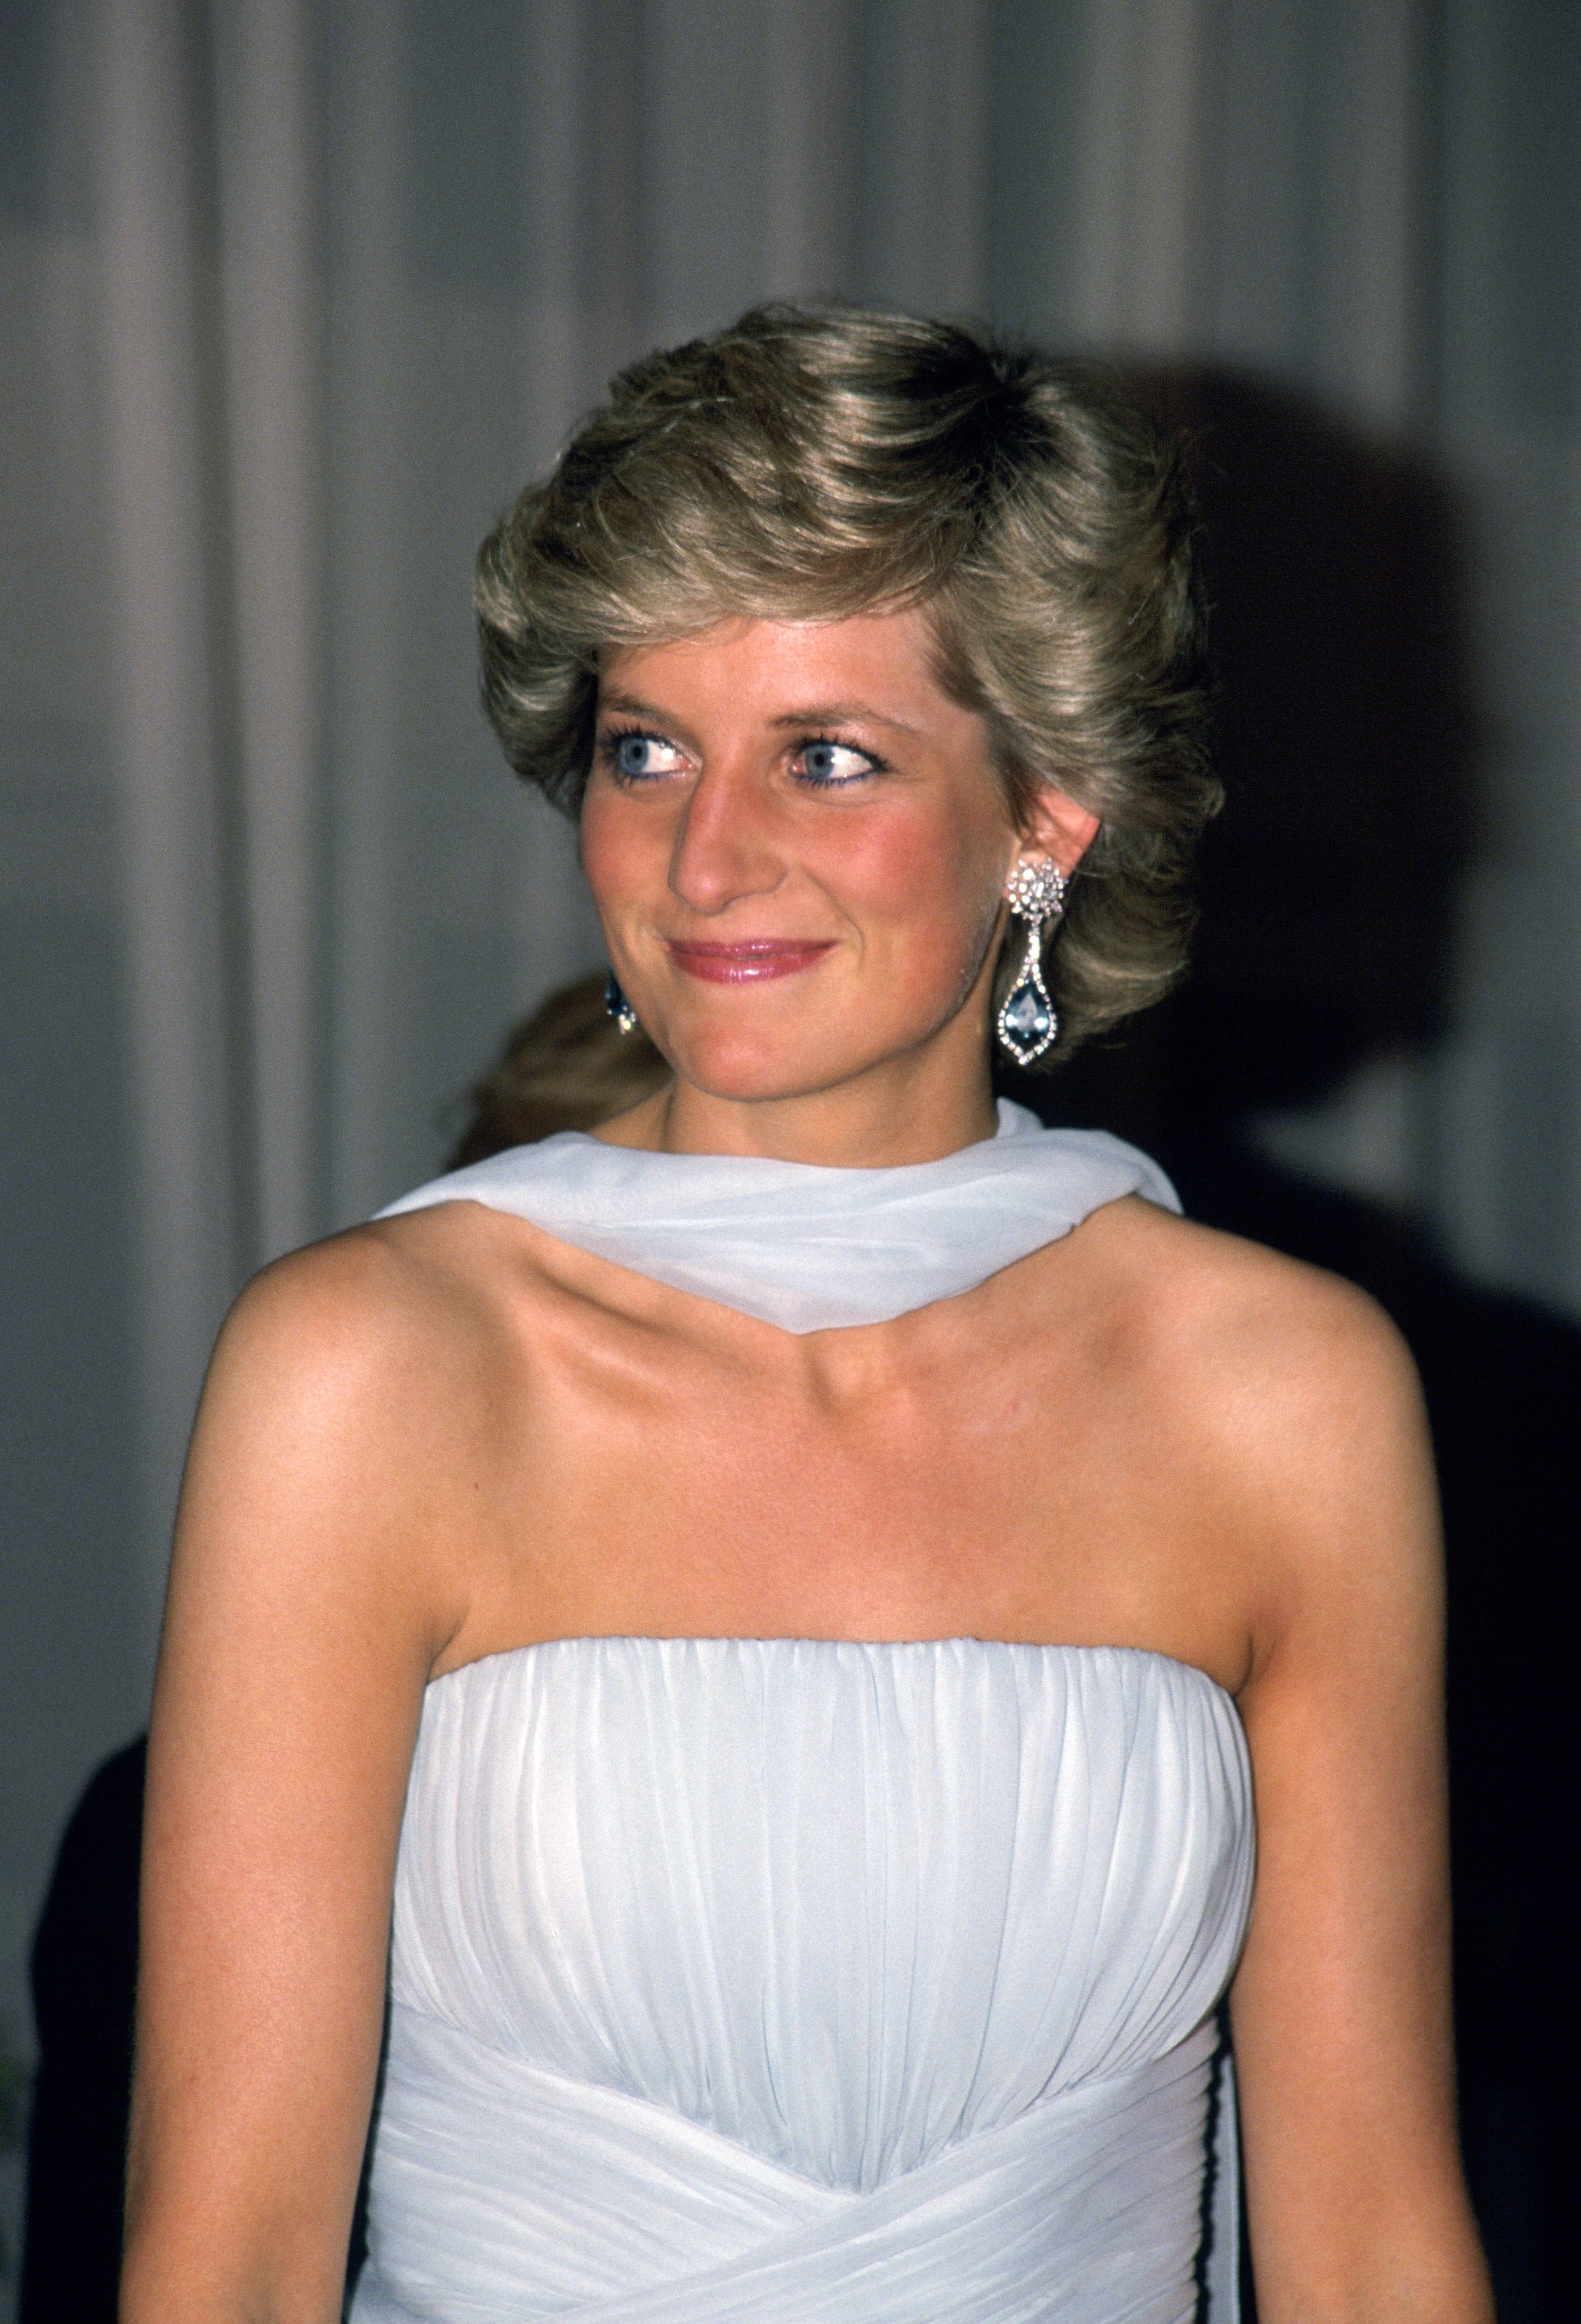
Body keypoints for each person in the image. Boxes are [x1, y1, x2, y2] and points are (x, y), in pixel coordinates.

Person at [121, 307, 1493, 2324]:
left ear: (1043, 817)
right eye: (642, 749)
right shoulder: (372, 1373)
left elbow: (1371, 2245)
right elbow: (223, 2262)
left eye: (824, 756)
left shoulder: (1274, 1396)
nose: (701, 857)